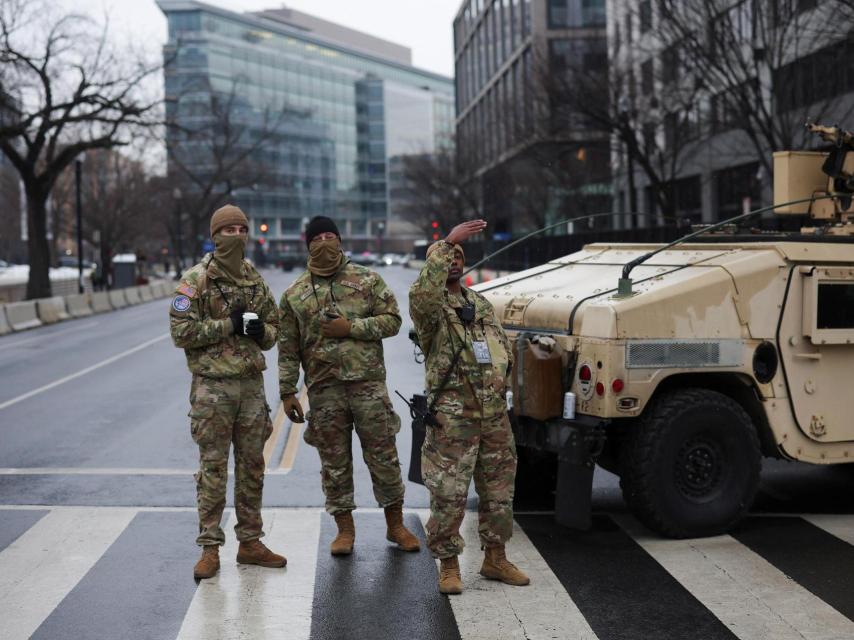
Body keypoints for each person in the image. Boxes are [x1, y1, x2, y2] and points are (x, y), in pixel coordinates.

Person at [278, 216, 420, 556]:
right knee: (334, 463)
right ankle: (344, 529)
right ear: (308, 244)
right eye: (318, 237)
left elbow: (393, 321)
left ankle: (395, 524)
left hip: (367, 387)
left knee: (384, 456)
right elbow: (287, 346)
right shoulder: (294, 294)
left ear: (340, 241)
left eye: (331, 235)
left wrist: (351, 327)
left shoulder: (368, 280)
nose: (325, 242)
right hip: (324, 390)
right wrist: (287, 391)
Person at [409, 219, 530, 595]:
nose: (455, 261)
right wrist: (445, 242)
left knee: (498, 490)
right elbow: (421, 295)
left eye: (459, 255)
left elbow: (500, 348)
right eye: (447, 256)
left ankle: (495, 557)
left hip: (491, 414)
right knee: (448, 492)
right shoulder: (430, 309)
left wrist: (500, 384)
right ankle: (448, 565)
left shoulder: (479, 304)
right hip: (452, 418)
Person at [170, 204, 286, 580]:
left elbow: (274, 328)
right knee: (213, 470)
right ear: (215, 235)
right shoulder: (195, 280)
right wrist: (228, 326)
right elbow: (181, 333)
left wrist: (259, 333)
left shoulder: (254, 279)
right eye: (229, 229)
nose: (237, 235)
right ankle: (209, 548)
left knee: (252, 467)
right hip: (213, 388)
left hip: (251, 387)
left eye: (242, 229)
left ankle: (250, 542)